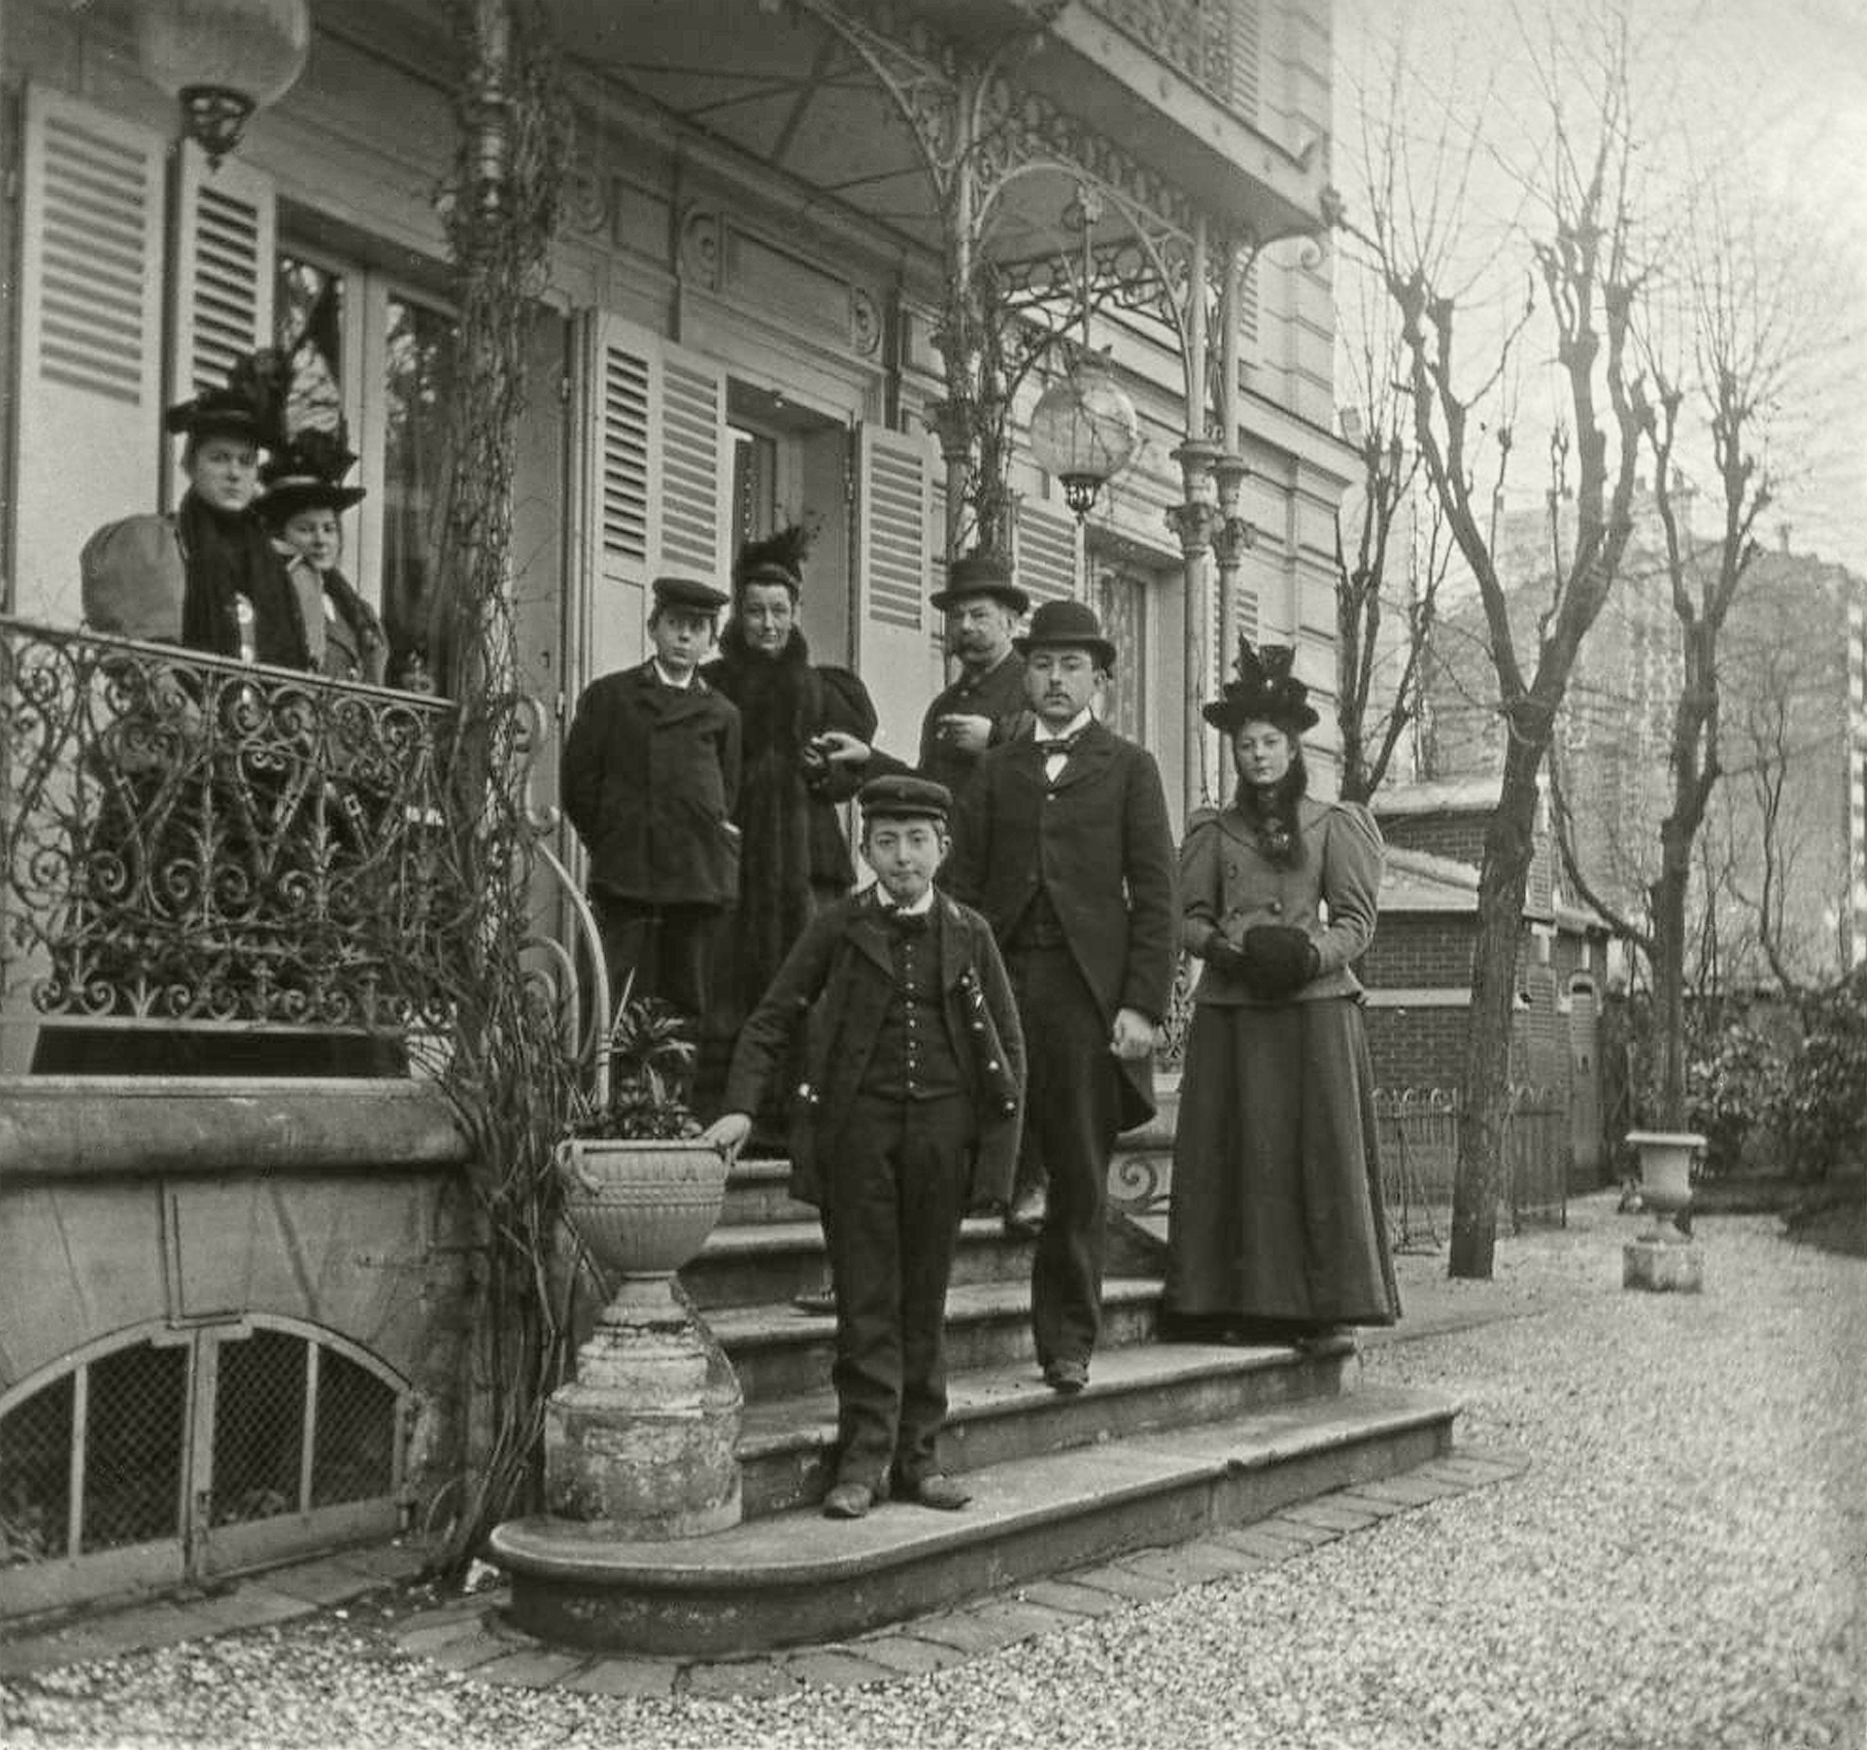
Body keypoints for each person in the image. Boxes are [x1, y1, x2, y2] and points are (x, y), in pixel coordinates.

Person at [702, 775, 1024, 1520]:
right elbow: (773, 1017)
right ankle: (862, 1460)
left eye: (917, 842)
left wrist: (999, 1160)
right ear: (863, 847)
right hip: (857, 1137)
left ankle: (918, 1457)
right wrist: (741, 1109)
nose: (902, 857)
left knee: (925, 1299)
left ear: (942, 849)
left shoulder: (969, 932)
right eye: (886, 841)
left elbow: (1008, 1047)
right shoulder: (837, 927)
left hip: (941, 1137)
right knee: (864, 1300)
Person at [944, 599, 1177, 1395]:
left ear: (1097, 679)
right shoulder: (995, 770)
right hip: (1001, 987)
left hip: (1085, 997)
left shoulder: (1129, 767)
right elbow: (960, 886)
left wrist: (1142, 1005)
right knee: (963, 1149)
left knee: (1078, 1170)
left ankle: (1066, 1341)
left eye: (1070, 666)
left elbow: (1155, 896)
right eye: (1041, 664)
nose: (1052, 680)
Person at [1164, 637, 1400, 1345]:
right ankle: (1228, 1303)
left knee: (1313, 1157)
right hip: (1233, 1008)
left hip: (1312, 1009)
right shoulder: (1211, 828)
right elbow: (1185, 916)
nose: (1256, 756)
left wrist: (1306, 954)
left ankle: (1321, 1309)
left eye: (1269, 742)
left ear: (1294, 748)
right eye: (1244, 745)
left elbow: (1358, 923)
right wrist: (1224, 949)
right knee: (1234, 1154)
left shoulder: (1335, 825)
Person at [697, 524, 879, 1135]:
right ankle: (732, 1116)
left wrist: (823, 773)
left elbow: (853, 770)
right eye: (755, 611)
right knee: (727, 985)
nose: (767, 624)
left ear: (797, 612)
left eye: (779, 611)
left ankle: (806, 1120)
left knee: (812, 982)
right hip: (733, 860)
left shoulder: (827, 689)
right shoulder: (713, 686)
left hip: (808, 865)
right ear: (739, 615)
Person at [561, 576, 742, 1034]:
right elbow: (578, 784)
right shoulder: (611, 697)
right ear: (653, 627)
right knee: (611, 992)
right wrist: (613, 835)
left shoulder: (722, 713)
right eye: (675, 623)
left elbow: (727, 792)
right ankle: (601, 1097)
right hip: (627, 870)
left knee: (687, 999)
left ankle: (675, 1101)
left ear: (710, 641)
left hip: (695, 876)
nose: (684, 636)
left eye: (697, 628)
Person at [256, 427, 389, 686]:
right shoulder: (273, 595)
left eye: (329, 529)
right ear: (281, 536)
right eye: (305, 529)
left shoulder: (357, 610)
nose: (320, 540)